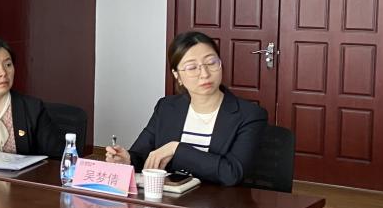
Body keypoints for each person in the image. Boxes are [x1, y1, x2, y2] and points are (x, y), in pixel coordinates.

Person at [106, 31, 267, 186]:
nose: (204, 74)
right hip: (169, 200)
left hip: (219, 202)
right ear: (177, 75)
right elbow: (143, 155)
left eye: (211, 63)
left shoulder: (249, 115)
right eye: (191, 67)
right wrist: (127, 160)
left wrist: (177, 149)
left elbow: (232, 173)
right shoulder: (167, 108)